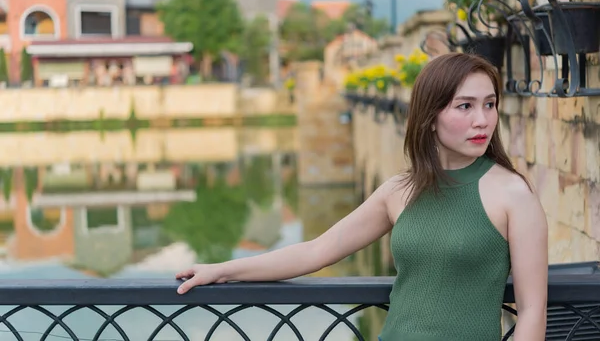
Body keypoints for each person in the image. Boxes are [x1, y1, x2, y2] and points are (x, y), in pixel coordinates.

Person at [175, 52, 549, 341]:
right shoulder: (399, 191)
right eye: (465, 106)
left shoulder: (514, 195)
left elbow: (531, 311)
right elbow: (315, 251)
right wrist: (222, 270)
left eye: (490, 103)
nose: (482, 120)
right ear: (430, 115)